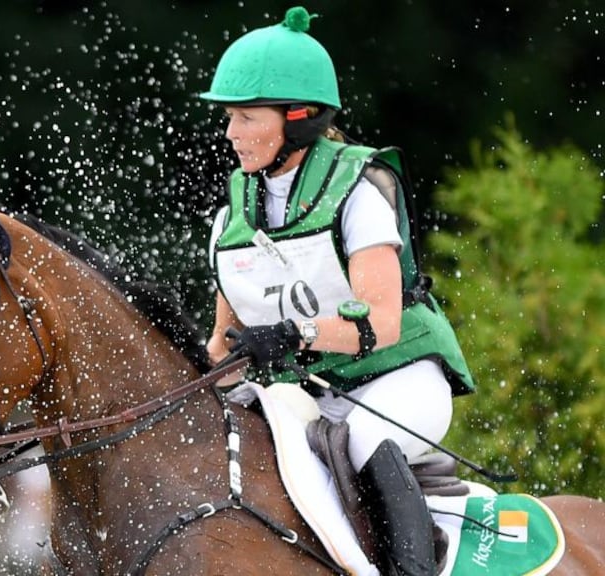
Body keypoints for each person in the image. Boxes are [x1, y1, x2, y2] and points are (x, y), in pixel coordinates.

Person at [198, 7, 475, 576]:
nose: (231, 134)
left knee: (362, 442)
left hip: (398, 376)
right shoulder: (233, 214)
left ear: (298, 118)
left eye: (247, 117)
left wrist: (294, 333)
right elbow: (225, 345)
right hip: (312, 391)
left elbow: (382, 323)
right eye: (230, 117)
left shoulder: (359, 193)